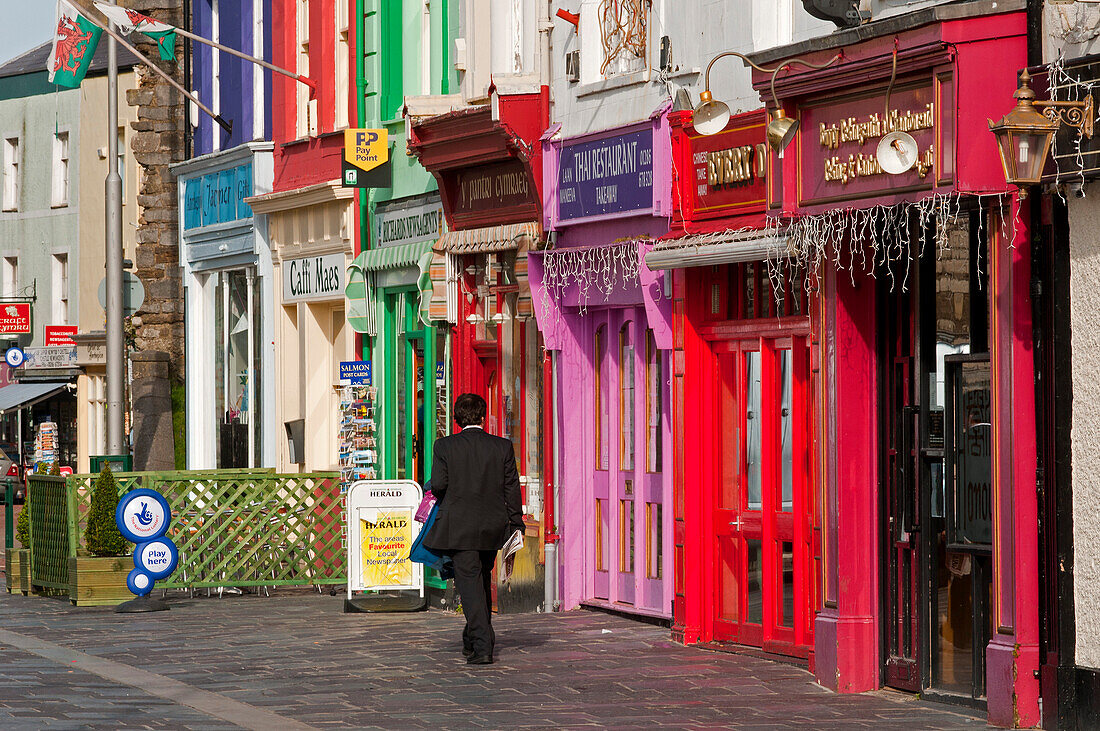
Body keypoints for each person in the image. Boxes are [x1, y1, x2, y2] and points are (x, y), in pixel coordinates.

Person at [423, 393, 524, 665]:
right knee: (478, 582)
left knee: (469, 587)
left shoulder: (444, 446)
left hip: (459, 526)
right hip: (493, 527)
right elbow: (511, 488)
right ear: (482, 417)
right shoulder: (501, 446)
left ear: (456, 419)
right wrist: (517, 522)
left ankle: (482, 646)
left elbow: (440, 485)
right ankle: (472, 638)